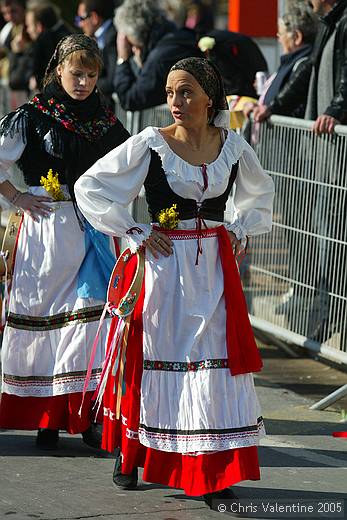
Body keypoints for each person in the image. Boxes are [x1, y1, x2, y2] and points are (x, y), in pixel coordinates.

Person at [75, 57, 274, 508]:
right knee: (157, 358)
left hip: (214, 272)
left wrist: (240, 227)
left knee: (212, 361)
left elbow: (260, 196)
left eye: (185, 92)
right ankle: (133, 454)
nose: (176, 102)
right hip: (164, 269)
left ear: (209, 97)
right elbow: (90, 187)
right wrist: (133, 229)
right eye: (169, 93)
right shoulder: (151, 143)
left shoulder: (234, 146)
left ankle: (211, 469)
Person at [0, 34, 129, 450]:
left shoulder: (106, 120)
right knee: (47, 323)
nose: (84, 82)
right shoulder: (33, 116)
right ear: (59, 70)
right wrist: (18, 196)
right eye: (77, 73)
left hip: (92, 230)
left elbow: (134, 163)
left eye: (91, 75)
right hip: (47, 232)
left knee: (90, 322)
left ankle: (83, 413)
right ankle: (45, 417)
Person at [254, 0, 347, 132]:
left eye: (281, 34)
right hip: (327, 134)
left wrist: (335, 110)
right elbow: (308, 71)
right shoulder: (326, 23)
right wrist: (272, 107)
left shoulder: (342, 21)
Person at [113, 0, 203, 111]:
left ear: (134, 33)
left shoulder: (159, 58)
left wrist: (122, 59)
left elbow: (129, 99)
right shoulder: (178, 37)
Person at [243, 6, 317, 119]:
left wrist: (268, 109)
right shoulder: (291, 63)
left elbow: (290, 98)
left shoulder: (301, 64)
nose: (279, 39)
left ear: (297, 37)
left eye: (280, 34)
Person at [76, 0, 118, 107]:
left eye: (81, 18)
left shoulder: (112, 37)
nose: (80, 24)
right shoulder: (101, 37)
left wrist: (84, 85)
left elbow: (112, 79)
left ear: (94, 17)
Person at [25, 2, 73, 91]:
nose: (28, 30)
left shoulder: (45, 44)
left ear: (39, 26)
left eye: (29, 26)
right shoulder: (70, 37)